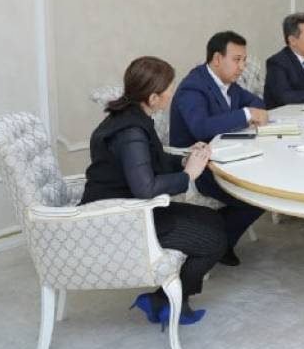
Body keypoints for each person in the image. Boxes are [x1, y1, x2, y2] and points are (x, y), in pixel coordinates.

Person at [82, 56, 225, 326]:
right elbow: (145, 188)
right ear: (153, 97)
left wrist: (185, 159)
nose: (173, 93)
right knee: (214, 239)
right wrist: (189, 175)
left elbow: (149, 160)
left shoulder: (130, 116)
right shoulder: (131, 131)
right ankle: (168, 302)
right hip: (121, 218)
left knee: (216, 222)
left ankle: (162, 300)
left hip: (127, 205)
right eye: (169, 89)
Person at [169, 31, 268, 266]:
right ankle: (215, 241)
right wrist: (246, 114)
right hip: (196, 166)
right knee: (257, 195)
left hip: (226, 156)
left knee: (266, 186)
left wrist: (252, 110)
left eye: (244, 60)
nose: (242, 66)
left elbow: (256, 102)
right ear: (216, 58)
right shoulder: (193, 87)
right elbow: (201, 128)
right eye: (237, 59)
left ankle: (218, 239)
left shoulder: (228, 84)